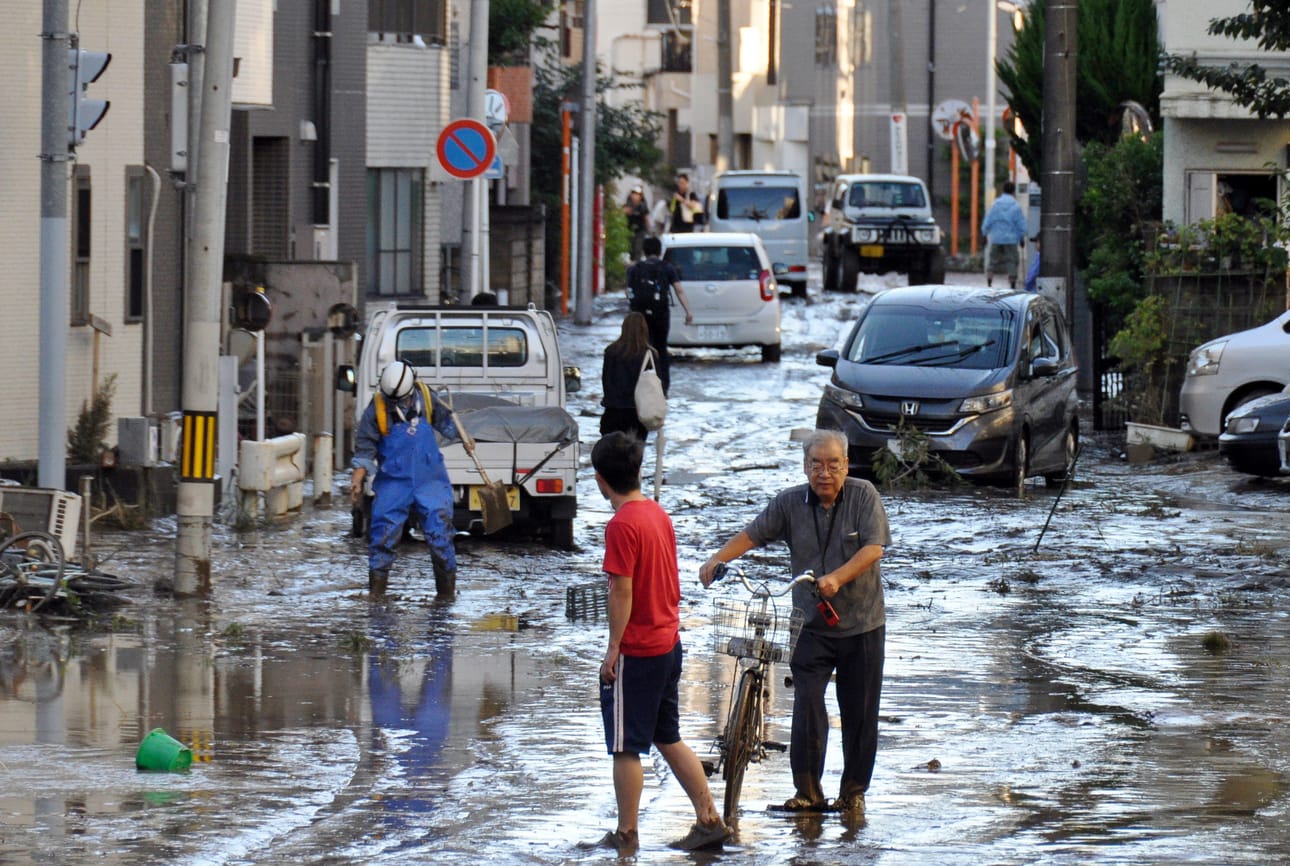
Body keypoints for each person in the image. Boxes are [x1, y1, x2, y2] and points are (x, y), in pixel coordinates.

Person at [698, 429, 891, 816]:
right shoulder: (789, 504)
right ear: (805, 467)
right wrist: (717, 560)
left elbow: (874, 548)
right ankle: (807, 792)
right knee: (806, 703)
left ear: (846, 465)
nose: (825, 473)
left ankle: (853, 792)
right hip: (809, 625)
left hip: (862, 624)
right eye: (816, 464)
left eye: (833, 464)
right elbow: (753, 534)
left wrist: (837, 577)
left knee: (860, 712)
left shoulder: (863, 495)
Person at [581, 432, 732, 854]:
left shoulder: (621, 525)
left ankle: (626, 834)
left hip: (640, 649)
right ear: (637, 471)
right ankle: (709, 818)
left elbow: (621, 591)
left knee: (625, 745)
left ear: (599, 480)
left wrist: (613, 649)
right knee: (667, 735)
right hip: (669, 642)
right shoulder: (656, 514)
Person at [350, 361, 462, 598]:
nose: (397, 405)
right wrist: (357, 479)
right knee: (382, 535)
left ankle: (446, 597)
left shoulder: (428, 399)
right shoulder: (376, 410)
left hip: (430, 480)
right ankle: (376, 596)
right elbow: (364, 449)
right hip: (393, 482)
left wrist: (465, 434)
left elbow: (449, 425)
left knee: (440, 534)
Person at [626, 235, 693, 395]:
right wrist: (688, 311)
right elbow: (679, 290)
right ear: (659, 250)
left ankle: (640, 387)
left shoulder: (635, 269)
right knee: (661, 349)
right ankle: (663, 388)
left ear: (644, 251)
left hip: (639, 316)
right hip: (661, 314)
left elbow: (628, 292)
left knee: (640, 348)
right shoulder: (667, 268)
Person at [601, 312, 656, 440]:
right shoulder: (649, 355)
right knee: (633, 455)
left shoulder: (611, 351)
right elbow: (656, 386)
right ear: (644, 330)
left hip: (612, 412)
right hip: (637, 414)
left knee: (612, 454)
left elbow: (606, 381)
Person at [981, 181, 1028, 289]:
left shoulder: (995, 204)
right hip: (1011, 239)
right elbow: (1020, 223)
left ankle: (989, 280)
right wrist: (1022, 236)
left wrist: (984, 234)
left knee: (993, 259)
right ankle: (1012, 282)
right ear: (1013, 191)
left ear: (1003, 190)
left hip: (996, 237)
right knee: (1012, 260)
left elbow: (989, 220)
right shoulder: (1016, 206)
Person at [622, 185, 651, 261]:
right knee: (630, 250)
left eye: (638, 194)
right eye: (634, 194)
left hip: (640, 231)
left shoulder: (643, 207)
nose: (635, 196)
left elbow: (647, 218)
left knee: (638, 249)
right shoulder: (627, 205)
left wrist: (649, 231)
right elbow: (622, 213)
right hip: (629, 231)